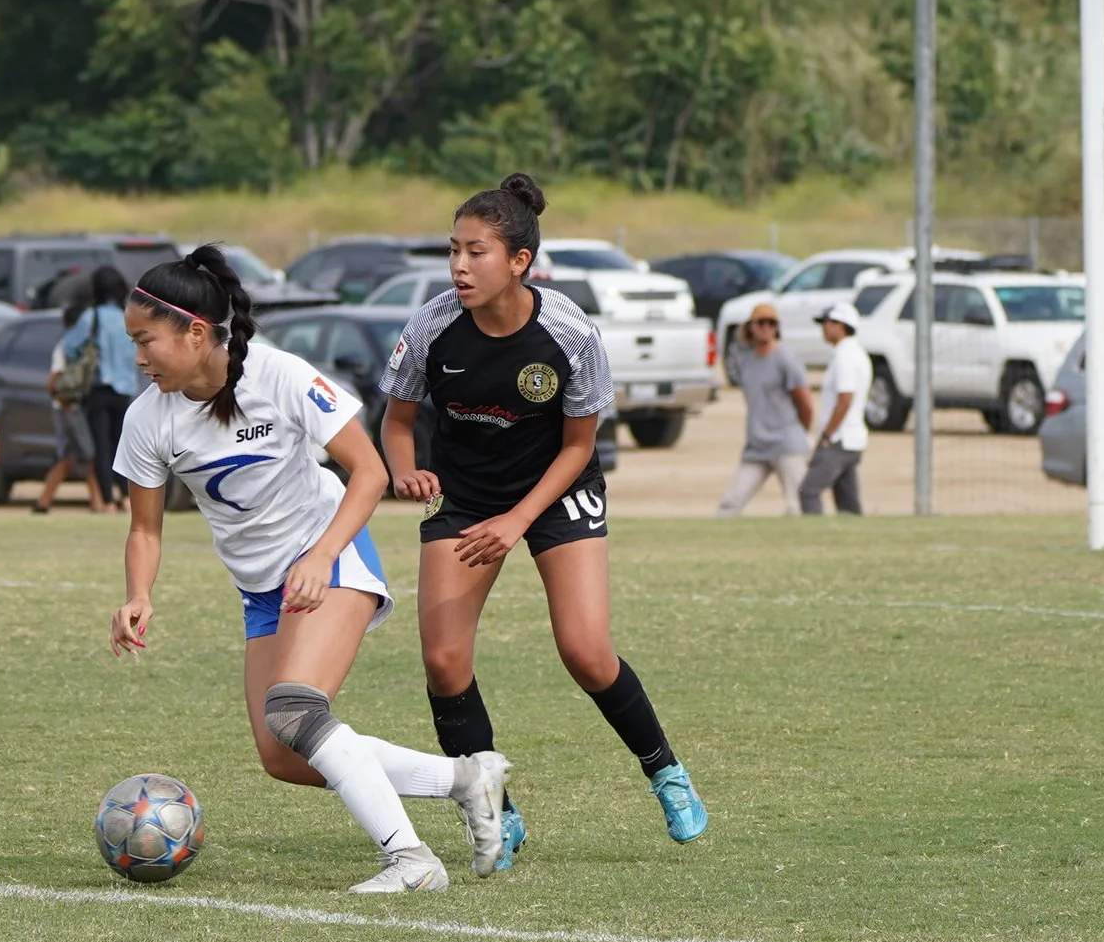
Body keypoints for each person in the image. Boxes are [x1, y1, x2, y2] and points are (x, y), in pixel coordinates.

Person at [109, 246, 512, 892]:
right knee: (282, 754)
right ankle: (465, 778)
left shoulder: (280, 375)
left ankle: (411, 860)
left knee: (296, 711)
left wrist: (322, 553)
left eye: (145, 339)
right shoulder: (148, 418)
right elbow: (144, 526)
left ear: (195, 331)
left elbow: (371, 471)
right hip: (262, 589)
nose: (138, 357)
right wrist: (138, 593)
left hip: (332, 555)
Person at [379, 172, 709, 860]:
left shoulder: (568, 332)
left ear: (519, 261)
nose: (460, 266)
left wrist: (519, 520)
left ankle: (666, 772)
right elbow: (398, 420)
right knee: (443, 663)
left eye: (477, 252)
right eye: (453, 250)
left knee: (586, 649)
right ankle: (498, 813)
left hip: (556, 489)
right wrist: (405, 468)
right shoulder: (432, 325)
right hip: (468, 499)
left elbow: (579, 444)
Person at [716, 301, 815, 516]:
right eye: (761, 323)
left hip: (787, 444)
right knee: (730, 503)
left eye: (771, 323)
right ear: (751, 326)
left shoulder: (786, 360)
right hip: (757, 445)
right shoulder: (746, 359)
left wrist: (801, 432)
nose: (766, 328)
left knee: (796, 504)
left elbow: (805, 402)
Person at [64, 267, 141, 510]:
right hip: (125, 388)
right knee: (122, 446)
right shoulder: (128, 315)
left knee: (101, 447)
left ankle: (108, 500)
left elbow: (70, 348)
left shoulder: (92, 316)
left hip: (99, 388)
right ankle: (127, 498)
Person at [797, 303, 872, 516]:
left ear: (840, 325)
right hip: (853, 439)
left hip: (839, 439)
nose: (823, 328)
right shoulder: (857, 353)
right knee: (848, 504)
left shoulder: (845, 357)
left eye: (827, 323)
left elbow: (845, 398)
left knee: (808, 491)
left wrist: (828, 434)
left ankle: (815, 538)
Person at [37, 299, 110, 515]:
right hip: (69, 406)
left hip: (73, 406)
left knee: (76, 457)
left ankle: (47, 501)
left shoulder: (77, 345)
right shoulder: (68, 346)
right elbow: (53, 380)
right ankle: (97, 502)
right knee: (82, 456)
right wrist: (63, 400)